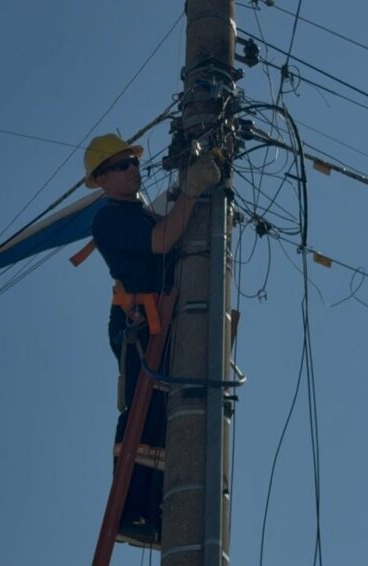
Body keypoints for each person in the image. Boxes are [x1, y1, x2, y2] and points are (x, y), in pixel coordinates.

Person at [84, 133, 219, 546]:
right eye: (121, 166)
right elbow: (162, 241)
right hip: (138, 325)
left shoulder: (139, 212)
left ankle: (154, 512)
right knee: (142, 412)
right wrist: (190, 194)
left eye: (133, 163)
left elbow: (166, 227)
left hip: (158, 321)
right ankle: (129, 512)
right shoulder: (108, 219)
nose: (133, 170)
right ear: (102, 179)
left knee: (161, 412)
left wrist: (183, 191)